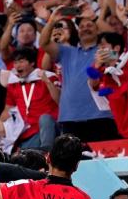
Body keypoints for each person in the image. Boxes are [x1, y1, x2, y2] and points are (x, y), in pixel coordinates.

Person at [39, 10, 119, 142]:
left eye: (89, 25)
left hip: (101, 116)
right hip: (70, 117)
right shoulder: (66, 51)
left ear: (97, 30)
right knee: (74, 162)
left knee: (105, 160)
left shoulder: (105, 52)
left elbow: (116, 41)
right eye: (81, 27)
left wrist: (96, 17)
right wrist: (51, 21)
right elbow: (44, 43)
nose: (85, 29)